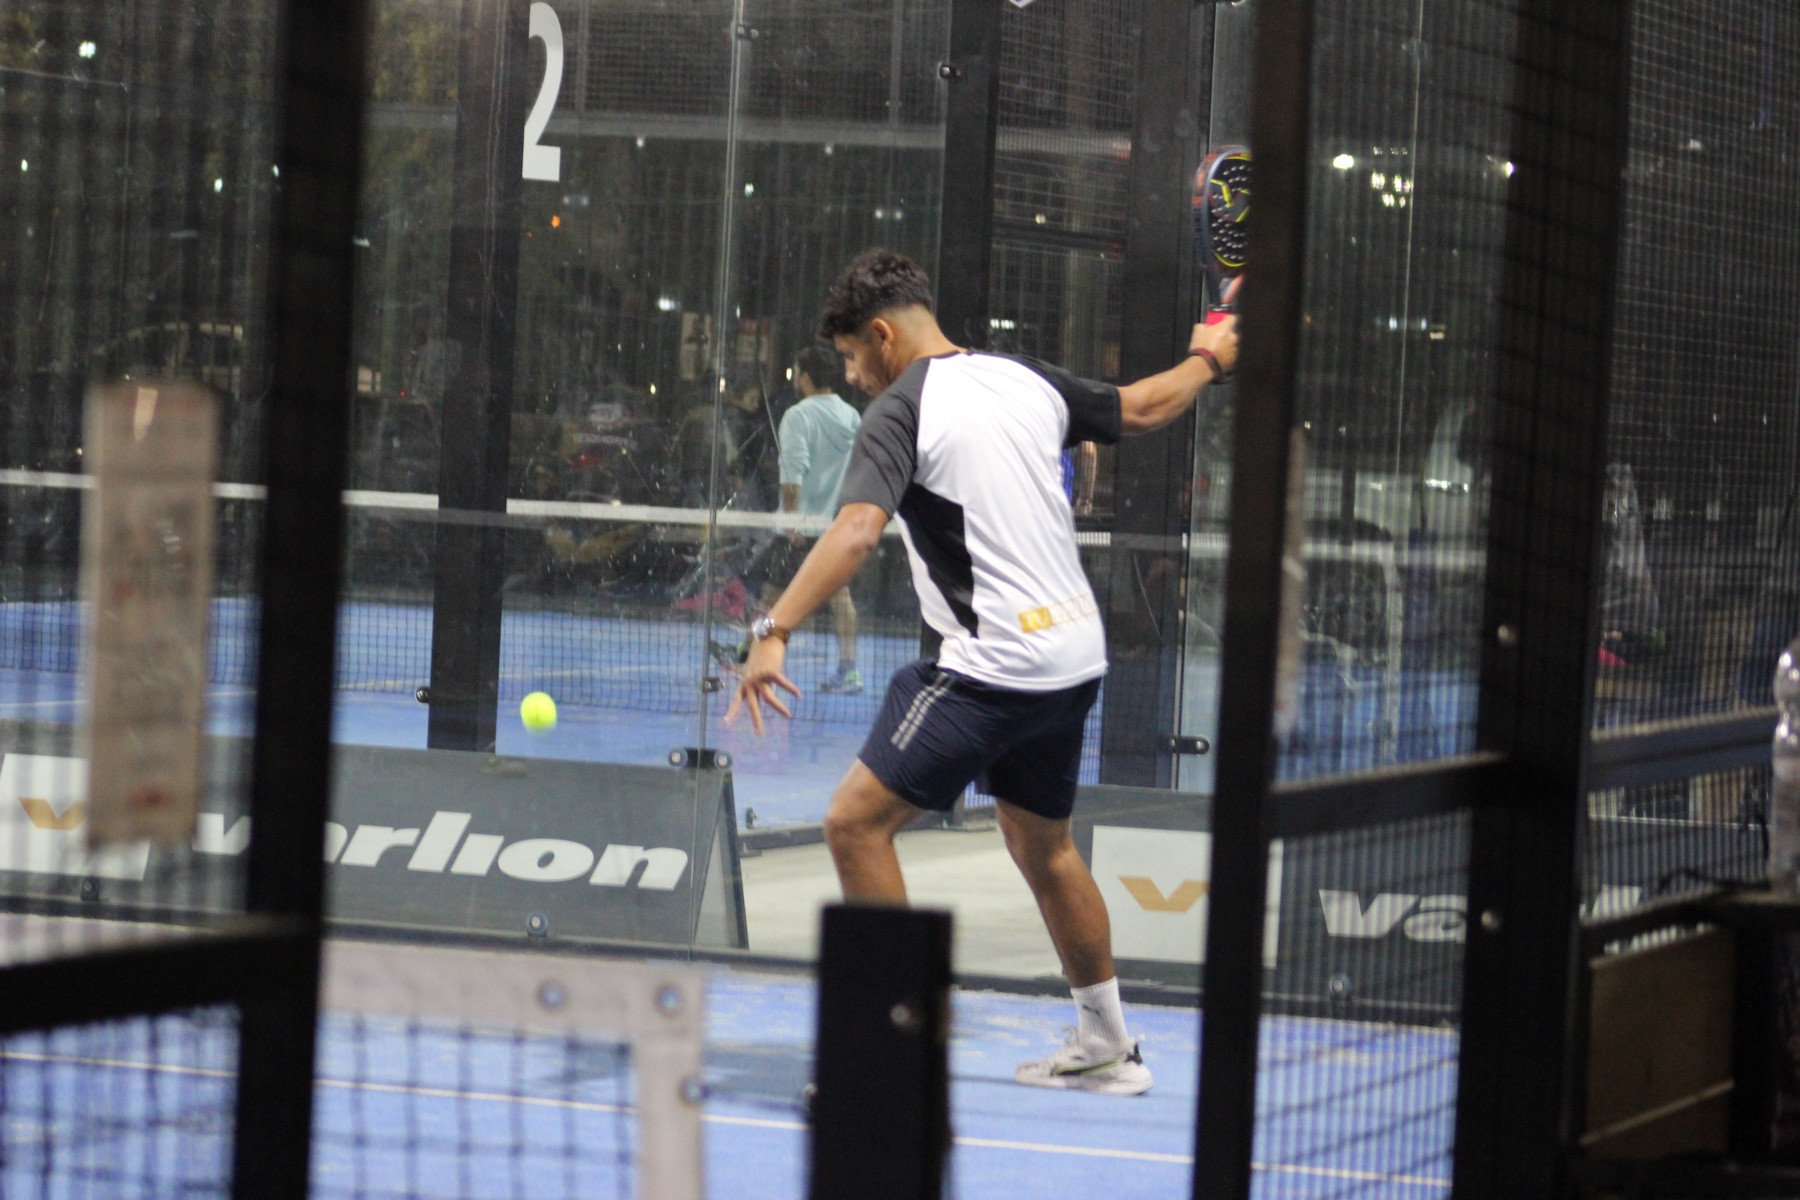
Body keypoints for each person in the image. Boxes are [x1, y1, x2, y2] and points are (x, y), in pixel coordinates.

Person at [726, 248, 1239, 1096]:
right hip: (1073, 657)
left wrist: (772, 627)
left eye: (851, 357)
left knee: (854, 824)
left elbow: (856, 531)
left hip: (994, 663)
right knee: (1043, 843)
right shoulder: (1022, 376)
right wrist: (1208, 358)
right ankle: (1109, 1046)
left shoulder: (899, 410)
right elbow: (1146, 406)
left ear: (882, 335)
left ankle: (890, 1061)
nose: (851, 376)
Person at [759, 344, 864, 693]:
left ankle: (751, 657)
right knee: (840, 597)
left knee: (771, 597)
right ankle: (849, 670)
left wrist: (791, 522)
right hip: (832, 525)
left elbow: (792, 476)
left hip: (798, 527)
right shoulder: (852, 416)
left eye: (796, 372)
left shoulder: (798, 416)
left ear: (804, 377)